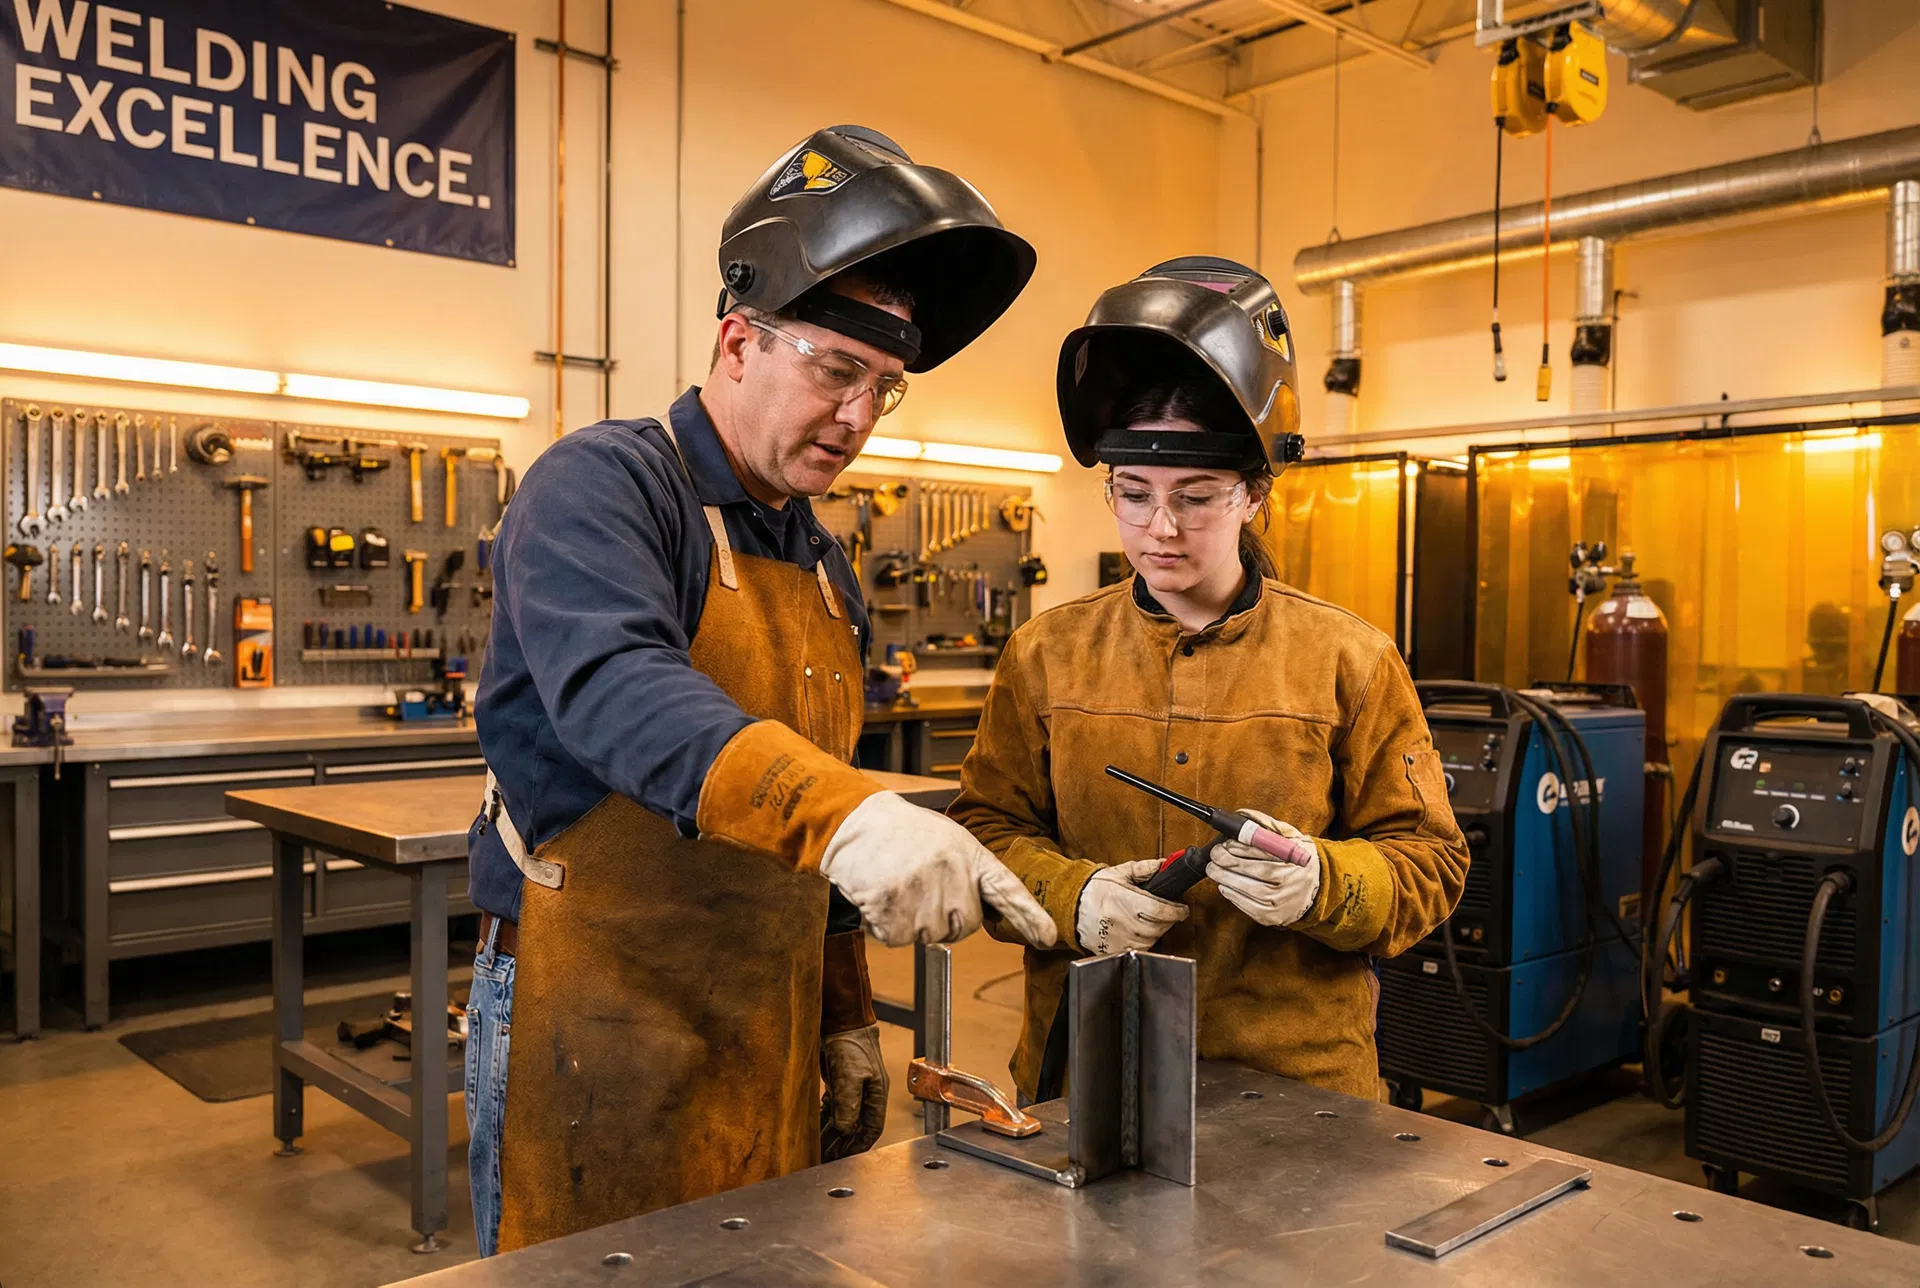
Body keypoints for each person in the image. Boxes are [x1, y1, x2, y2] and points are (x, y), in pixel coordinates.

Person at [465, 125, 1057, 1255]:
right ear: (739, 340)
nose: (857, 417)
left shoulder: (827, 571)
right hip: (590, 1013)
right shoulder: (604, 485)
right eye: (836, 370)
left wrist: (843, 1011)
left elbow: (812, 824)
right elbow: (618, 689)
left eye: (883, 388)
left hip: (765, 1017)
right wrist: (849, 817)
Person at [949, 257, 1469, 1103]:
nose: (1159, 528)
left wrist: (1323, 884)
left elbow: (1431, 864)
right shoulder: (1045, 655)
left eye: (1195, 496)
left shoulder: (1351, 660)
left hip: (1295, 1089)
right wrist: (1073, 898)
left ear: (1255, 494)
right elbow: (984, 831)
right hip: (1088, 1071)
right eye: (1133, 493)